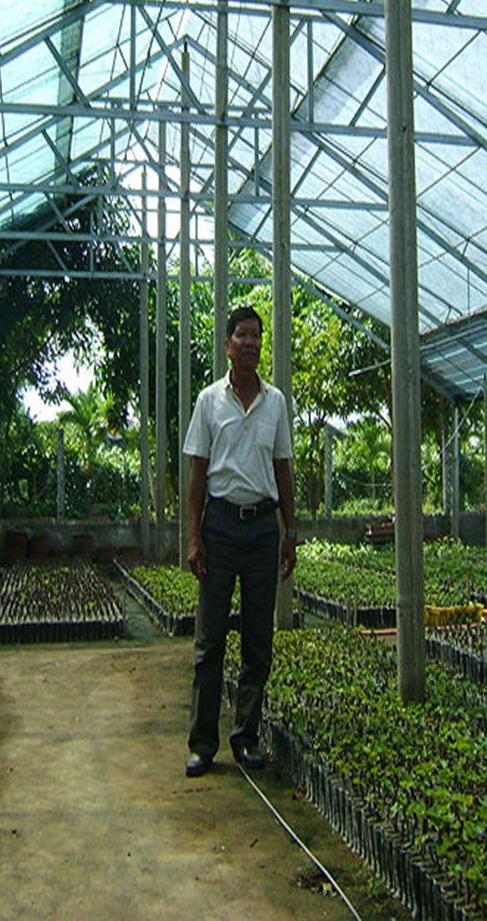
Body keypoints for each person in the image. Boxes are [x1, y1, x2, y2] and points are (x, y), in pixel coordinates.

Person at [183, 305, 297, 778]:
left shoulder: (276, 403)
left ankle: (246, 738)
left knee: (257, 640)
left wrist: (290, 532)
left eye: (256, 335)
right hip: (221, 526)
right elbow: (197, 472)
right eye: (242, 335)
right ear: (227, 346)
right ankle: (202, 744)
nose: (250, 342)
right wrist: (194, 536)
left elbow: (283, 468)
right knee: (210, 640)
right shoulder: (209, 401)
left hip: (263, 528)